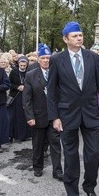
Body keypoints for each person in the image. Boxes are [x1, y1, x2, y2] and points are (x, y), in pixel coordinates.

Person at [47, 21, 99, 196]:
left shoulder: (92, 57)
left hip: (91, 113)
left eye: (81, 35)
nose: (79, 38)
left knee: (94, 154)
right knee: (71, 156)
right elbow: (51, 91)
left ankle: (89, 186)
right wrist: (55, 117)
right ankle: (71, 195)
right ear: (66, 39)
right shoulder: (57, 60)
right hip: (67, 115)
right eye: (75, 36)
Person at [23, 43, 63, 180]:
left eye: (48, 58)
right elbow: (26, 99)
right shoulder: (31, 75)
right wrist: (30, 116)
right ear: (38, 59)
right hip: (38, 116)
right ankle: (37, 167)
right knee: (38, 145)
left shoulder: (57, 73)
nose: (46, 60)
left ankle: (57, 171)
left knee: (56, 145)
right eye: (43, 58)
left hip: (54, 117)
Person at [8, 56, 31, 142]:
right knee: (15, 117)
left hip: (26, 96)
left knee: (25, 116)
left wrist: (26, 87)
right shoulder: (14, 72)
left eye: (24, 66)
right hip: (16, 96)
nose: (22, 67)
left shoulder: (29, 72)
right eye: (21, 65)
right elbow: (9, 84)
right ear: (18, 64)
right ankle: (13, 135)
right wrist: (17, 87)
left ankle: (24, 135)